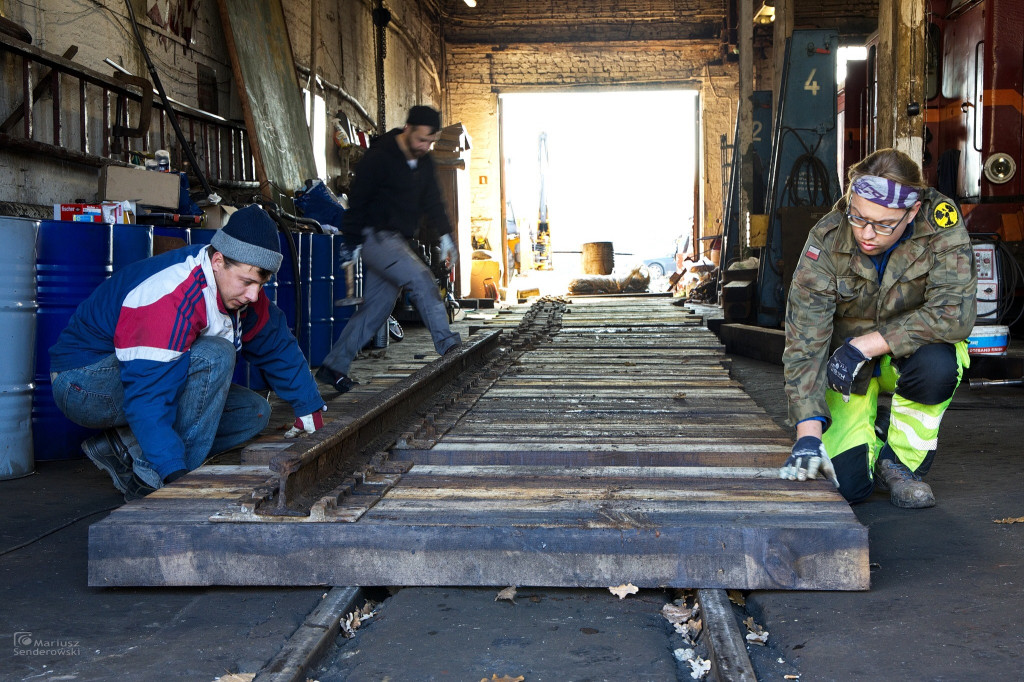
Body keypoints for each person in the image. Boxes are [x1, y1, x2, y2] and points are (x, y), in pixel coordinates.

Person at [50, 205, 327, 501]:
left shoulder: (238, 291)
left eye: (261, 283)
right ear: (218, 261)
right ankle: (152, 482)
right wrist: (173, 473)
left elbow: (275, 342)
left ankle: (122, 445)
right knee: (216, 355)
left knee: (253, 413)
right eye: (247, 282)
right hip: (83, 383)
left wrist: (308, 406)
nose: (254, 295)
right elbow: (148, 395)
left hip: (138, 378)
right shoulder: (171, 294)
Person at [779, 148, 976, 509]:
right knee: (847, 488)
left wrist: (865, 345)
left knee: (938, 365)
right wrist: (807, 434)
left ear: (911, 213)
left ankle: (899, 464)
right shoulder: (827, 239)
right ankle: (877, 429)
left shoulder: (939, 226)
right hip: (847, 374)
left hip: (906, 360)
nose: (867, 234)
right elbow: (804, 340)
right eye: (858, 217)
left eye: (884, 224)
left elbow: (954, 314)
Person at [317, 105, 461, 393]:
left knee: (376, 308)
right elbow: (358, 200)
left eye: (430, 141)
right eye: (421, 139)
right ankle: (449, 347)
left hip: (397, 240)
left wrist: (446, 235)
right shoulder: (379, 157)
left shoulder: (423, 162)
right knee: (422, 280)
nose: (425, 146)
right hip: (377, 237)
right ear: (407, 129)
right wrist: (351, 242)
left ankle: (333, 367)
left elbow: (433, 201)